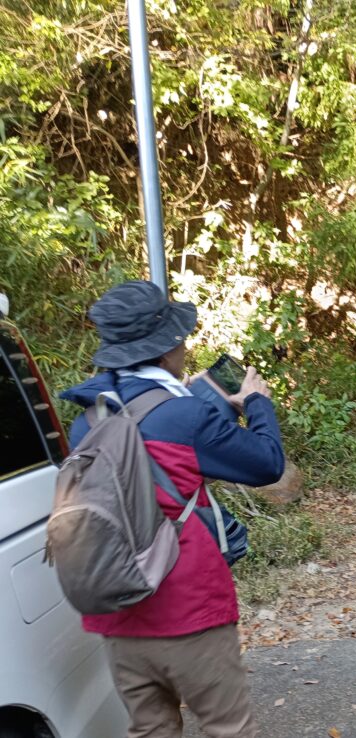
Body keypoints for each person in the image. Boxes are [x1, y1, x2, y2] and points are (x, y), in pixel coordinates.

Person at [61, 280, 285, 738]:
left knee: (151, 729)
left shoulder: (84, 422)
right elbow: (266, 465)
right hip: (188, 612)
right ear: (166, 350)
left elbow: (149, 453)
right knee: (231, 729)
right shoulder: (184, 416)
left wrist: (192, 405)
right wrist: (257, 402)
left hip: (117, 613)